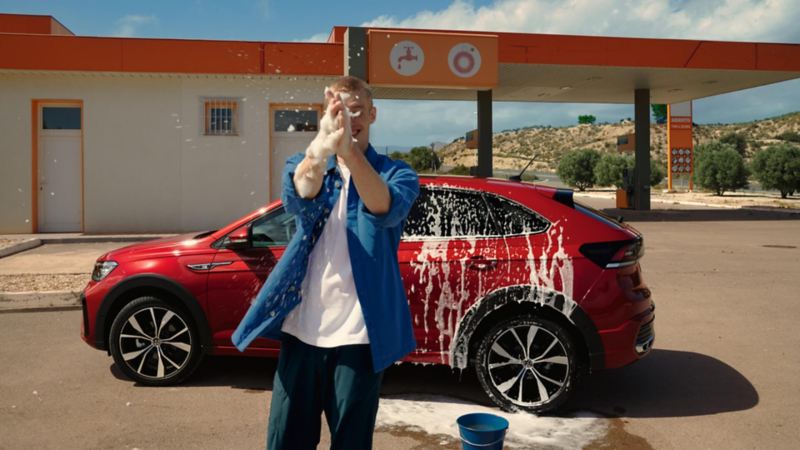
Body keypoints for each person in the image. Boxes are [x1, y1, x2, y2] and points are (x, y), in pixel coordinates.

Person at [232, 76, 420, 450]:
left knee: (351, 442)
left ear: (373, 113)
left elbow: (382, 207)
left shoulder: (396, 173)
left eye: (358, 109)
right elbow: (302, 192)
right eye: (340, 109)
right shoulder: (308, 162)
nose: (350, 118)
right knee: (285, 440)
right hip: (302, 333)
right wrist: (320, 149)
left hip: (359, 341)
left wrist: (349, 152)